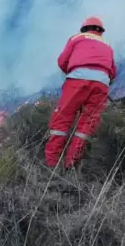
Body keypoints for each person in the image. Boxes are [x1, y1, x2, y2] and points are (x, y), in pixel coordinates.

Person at [45, 16, 117, 170]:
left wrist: (73, 71)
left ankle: (51, 164)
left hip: (77, 81)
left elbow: (62, 61)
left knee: (62, 119)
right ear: (100, 31)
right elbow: (112, 72)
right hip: (101, 85)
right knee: (88, 124)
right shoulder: (108, 45)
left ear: (84, 28)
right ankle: (71, 164)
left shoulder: (76, 38)